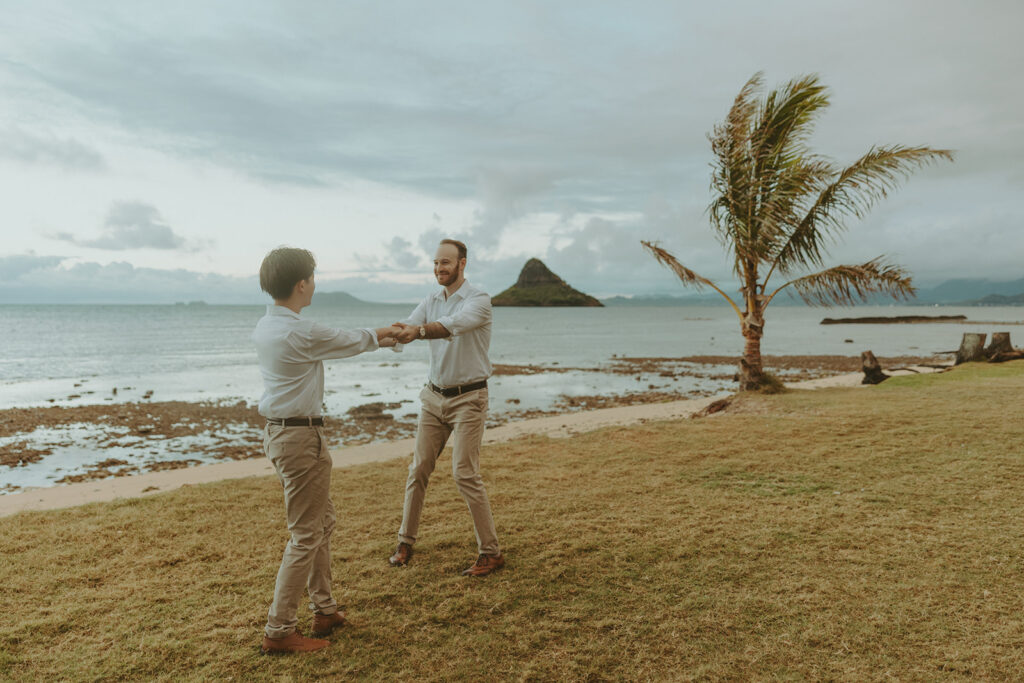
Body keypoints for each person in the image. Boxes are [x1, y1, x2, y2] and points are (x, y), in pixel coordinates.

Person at [252, 246, 398, 655]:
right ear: (302, 284)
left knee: (322, 521)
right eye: (312, 278)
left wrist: (381, 335)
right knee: (305, 534)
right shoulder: (300, 331)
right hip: (301, 440)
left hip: (282, 435)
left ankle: (325, 610)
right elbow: (353, 341)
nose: (314, 284)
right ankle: (279, 630)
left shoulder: (267, 326)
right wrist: (395, 334)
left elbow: (344, 340)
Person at [387, 238, 505, 577]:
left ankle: (491, 553)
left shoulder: (479, 300)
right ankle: (405, 542)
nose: (440, 268)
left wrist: (418, 331)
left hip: (469, 399)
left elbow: (450, 326)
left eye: (446, 262)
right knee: (418, 469)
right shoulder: (430, 300)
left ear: (462, 264)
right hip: (433, 398)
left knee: (465, 474)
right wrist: (375, 337)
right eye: (436, 262)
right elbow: (406, 328)